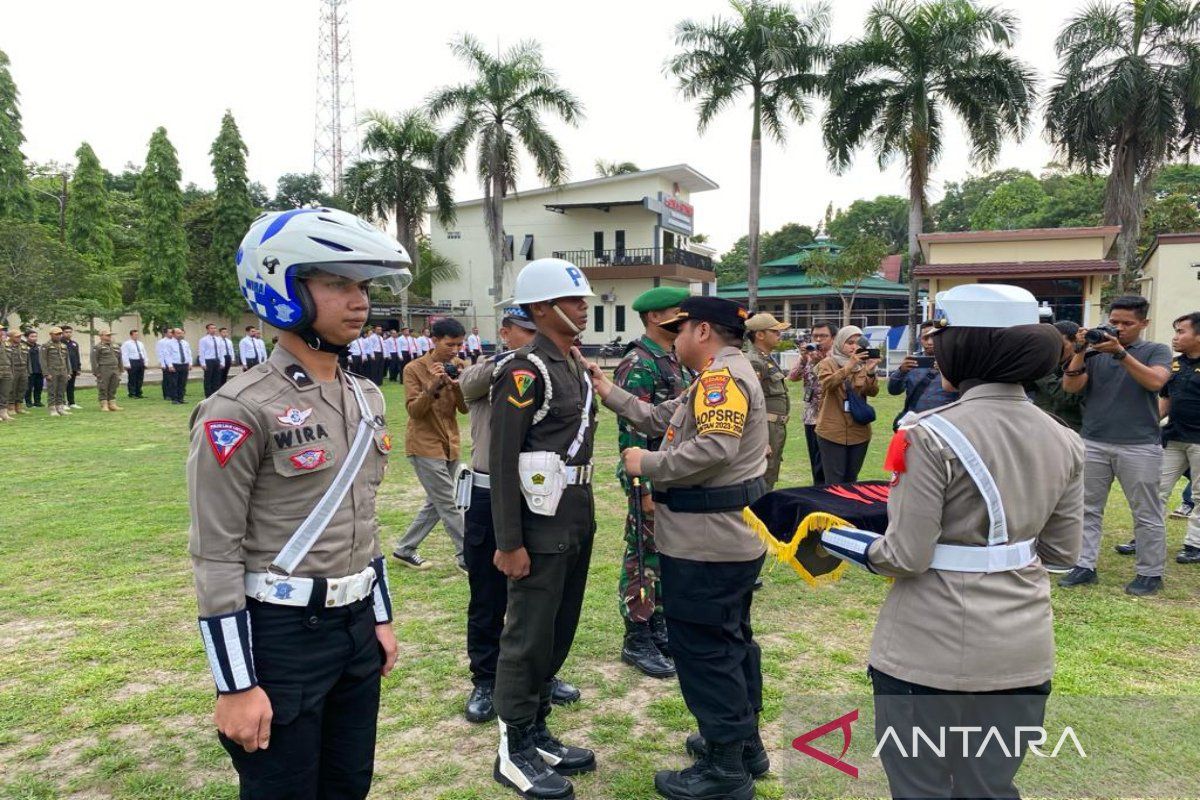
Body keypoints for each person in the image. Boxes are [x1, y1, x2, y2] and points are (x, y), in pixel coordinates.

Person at [819, 283, 1083, 800]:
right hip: (1023, 647)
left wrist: (836, 538)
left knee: (920, 787)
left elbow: (905, 555)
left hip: (930, 648)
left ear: (964, 348)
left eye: (942, 338)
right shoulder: (1065, 438)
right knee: (990, 786)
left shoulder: (927, 434)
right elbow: (1060, 554)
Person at [188, 206, 411, 800]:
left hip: (355, 627)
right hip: (281, 636)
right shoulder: (239, 409)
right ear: (283, 285)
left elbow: (363, 518)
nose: (359, 299)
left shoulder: (365, 397)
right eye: (337, 283)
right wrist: (234, 684)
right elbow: (215, 555)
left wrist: (379, 617)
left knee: (348, 785)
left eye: (362, 285)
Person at [589, 295, 769, 800]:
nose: (677, 338)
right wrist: (607, 389)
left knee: (706, 652)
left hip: (707, 542)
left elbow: (713, 449)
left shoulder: (721, 380)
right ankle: (741, 743)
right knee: (730, 642)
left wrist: (647, 465)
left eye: (682, 329)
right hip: (718, 537)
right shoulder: (715, 376)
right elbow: (662, 417)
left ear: (705, 332)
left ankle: (726, 768)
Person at [489, 258, 598, 800]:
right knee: (527, 636)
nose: (583, 306)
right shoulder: (524, 370)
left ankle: (537, 729)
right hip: (536, 523)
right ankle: (513, 749)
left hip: (574, 515)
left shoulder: (572, 364)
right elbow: (504, 458)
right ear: (540, 309)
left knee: (557, 630)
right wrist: (508, 542)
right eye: (572, 299)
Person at [458, 306, 582, 724]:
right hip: (488, 492)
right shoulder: (497, 369)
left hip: (534, 496)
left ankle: (539, 678)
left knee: (538, 601)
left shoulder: (549, 369)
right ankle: (485, 677)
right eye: (523, 331)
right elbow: (465, 386)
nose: (531, 338)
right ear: (506, 331)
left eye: (535, 332)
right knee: (488, 594)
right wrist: (511, 356)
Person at [1058, 295, 1172, 596]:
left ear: (1144, 323)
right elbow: (1071, 387)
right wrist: (1081, 351)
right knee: (1086, 508)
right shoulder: (1095, 352)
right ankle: (1084, 564)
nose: (1119, 328)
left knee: (1146, 512)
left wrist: (1120, 353)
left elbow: (1155, 383)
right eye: (1114, 322)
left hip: (1140, 444)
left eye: (1127, 323)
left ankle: (1150, 572)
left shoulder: (1155, 350)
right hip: (1094, 439)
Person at [612, 286, 693, 680]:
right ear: (654, 317)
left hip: (672, 473)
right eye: (676, 314)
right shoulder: (640, 362)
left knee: (663, 554)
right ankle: (636, 635)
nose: (683, 321)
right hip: (648, 475)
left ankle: (659, 625)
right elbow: (631, 429)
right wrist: (640, 487)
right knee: (643, 555)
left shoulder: (678, 360)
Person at [391, 318, 469, 572]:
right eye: (450, 344)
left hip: (450, 443)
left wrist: (456, 387)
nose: (455, 350)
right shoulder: (414, 369)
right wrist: (433, 385)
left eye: (459, 344)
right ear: (434, 340)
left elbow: (465, 409)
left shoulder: (459, 365)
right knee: (449, 501)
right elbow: (414, 411)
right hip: (424, 444)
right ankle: (466, 556)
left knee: (436, 503)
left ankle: (405, 549)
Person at [1158, 311, 1200, 565]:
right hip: (1173, 437)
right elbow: (1166, 399)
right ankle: (1146, 537)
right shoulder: (1175, 364)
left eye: (1181, 331)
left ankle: (1194, 545)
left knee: (1199, 496)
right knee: (1155, 489)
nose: (1175, 337)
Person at [815, 325, 880, 484]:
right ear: (839, 343)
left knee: (851, 479)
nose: (854, 346)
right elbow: (828, 385)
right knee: (834, 480)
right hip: (831, 431)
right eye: (849, 342)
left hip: (859, 431)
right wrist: (848, 367)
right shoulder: (827, 363)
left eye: (858, 342)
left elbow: (872, 392)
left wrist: (870, 371)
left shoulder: (862, 364)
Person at [744, 312, 791, 490]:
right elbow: (750, 402)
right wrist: (761, 440)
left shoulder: (766, 358)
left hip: (775, 427)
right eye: (775, 332)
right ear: (760, 335)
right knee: (762, 476)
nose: (779, 335)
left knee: (770, 473)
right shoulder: (755, 361)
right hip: (765, 427)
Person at [788, 322, 835, 484]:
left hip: (830, 417)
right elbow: (792, 377)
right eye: (815, 336)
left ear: (833, 339)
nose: (819, 339)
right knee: (815, 462)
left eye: (824, 336)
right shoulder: (808, 356)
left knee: (828, 464)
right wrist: (803, 358)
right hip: (811, 416)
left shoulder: (835, 358)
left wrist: (818, 361)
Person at [887, 322, 958, 426]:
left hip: (945, 423)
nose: (930, 342)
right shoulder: (912, 362)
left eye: (934, 337)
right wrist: (901, 371)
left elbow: (966, 393)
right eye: (925, 337)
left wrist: (946, 370)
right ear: (920, 339)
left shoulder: (955, 362)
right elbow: (893, 391)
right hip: (915, 423)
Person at [1029, 320, 1085, 431]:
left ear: (1075, 342)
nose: (1055, 348)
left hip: (1070, 431)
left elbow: (1068, 397)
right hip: (1043, 427)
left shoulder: (1083, 365)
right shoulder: (1050, 363)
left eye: (1060, 344)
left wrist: (1041, 371)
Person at [41, 326, 71, 416]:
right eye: (56, 334)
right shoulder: (46, 346)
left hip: (63, 370)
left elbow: (67, 360)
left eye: (60, 334)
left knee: (61, 390)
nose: (59, 336)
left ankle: (60, 407)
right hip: (52, 371)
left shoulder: (63, 346)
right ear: (51, 335)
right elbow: (43, 360)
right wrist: (46, 373)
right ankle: (52, 408)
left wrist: (69, 372)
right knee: (52, 390)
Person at [90, 330, 123, 411]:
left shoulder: (116, 346)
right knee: (103, 387)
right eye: (107, 335)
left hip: (114, 368)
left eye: (110, 335)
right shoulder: (97, 347)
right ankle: (104, 404)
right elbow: (94, 360)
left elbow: (120, 358)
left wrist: (121, 369)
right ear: (101, 336)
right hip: (104, 369)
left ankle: (112, 403)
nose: (109, 337)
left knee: (114, 386)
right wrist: (96, 372)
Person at [7, 329, 30, 416]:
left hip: (23, 369)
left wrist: (28, 371)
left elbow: (28, 360)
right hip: (12, 369)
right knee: (12, 389)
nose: (19, 338)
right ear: (11, 337)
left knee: (22, 388)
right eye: (17, 336)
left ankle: (19, 406)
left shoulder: (23, 346)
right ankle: (11, 407)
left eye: (20, 336)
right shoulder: (7, 346)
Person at [199, 323, 224, 398]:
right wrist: (203, 363)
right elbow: (201, 352)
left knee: (217, 379)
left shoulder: (218, 339)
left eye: (214, 328)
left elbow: (221, 351)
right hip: (208, 361)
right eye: (211, 328)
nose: (213, 330)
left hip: (217, 360)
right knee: (208, 379)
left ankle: (215, 394)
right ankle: (208, 395)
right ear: (207, 330)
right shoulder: (203, 340)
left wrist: (222, 362)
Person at [122, 329, 148, 399]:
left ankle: (139, 393)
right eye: (135, 334)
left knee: (140, 378)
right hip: (132, 361)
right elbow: (125, 354)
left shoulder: (140, 343)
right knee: (132, 378)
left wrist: (145, 362)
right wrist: (127, 364)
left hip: (140, 361)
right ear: (131, 335)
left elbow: (144, 353)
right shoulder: (127, 344)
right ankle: (132, 393)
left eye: (137, 334)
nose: (136, 336)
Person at [61, 325, 82, 410]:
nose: (68, 334)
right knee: (62, 386)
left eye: (70, 332)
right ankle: (62, 402)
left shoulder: (74, 344)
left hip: (73, 367)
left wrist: (78, 368)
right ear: (62, 333)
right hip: (63, 368)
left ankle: (72, 402)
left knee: (71, 386)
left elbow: (77, 356)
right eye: (66, 332)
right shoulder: (60, 343)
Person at [24, 330, 43, 408]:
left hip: (39, 370)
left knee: (39, 387)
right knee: (28, 387)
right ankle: (28, 402)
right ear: (26, 337)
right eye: (32, 336)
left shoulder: (39, 347)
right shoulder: (23, 346)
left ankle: (37, 401)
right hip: (30, 370)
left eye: (35, 336)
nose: (34, 338)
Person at [156, 329, 175, 400]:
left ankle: (173, 393)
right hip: (166, 362)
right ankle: (167, 395)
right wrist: (162, 364)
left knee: (173, 379)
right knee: (167, 379)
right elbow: (160, 353)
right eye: (170, 332)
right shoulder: (162, 342)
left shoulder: (174, 341)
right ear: (165, 333)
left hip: (174, 362)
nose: (171, 334)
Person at [0, 323, 12, 422]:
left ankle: (3, 413)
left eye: (2, 330)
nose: (1, 332)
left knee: (5, 392)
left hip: (6, 371)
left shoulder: (5, 343)